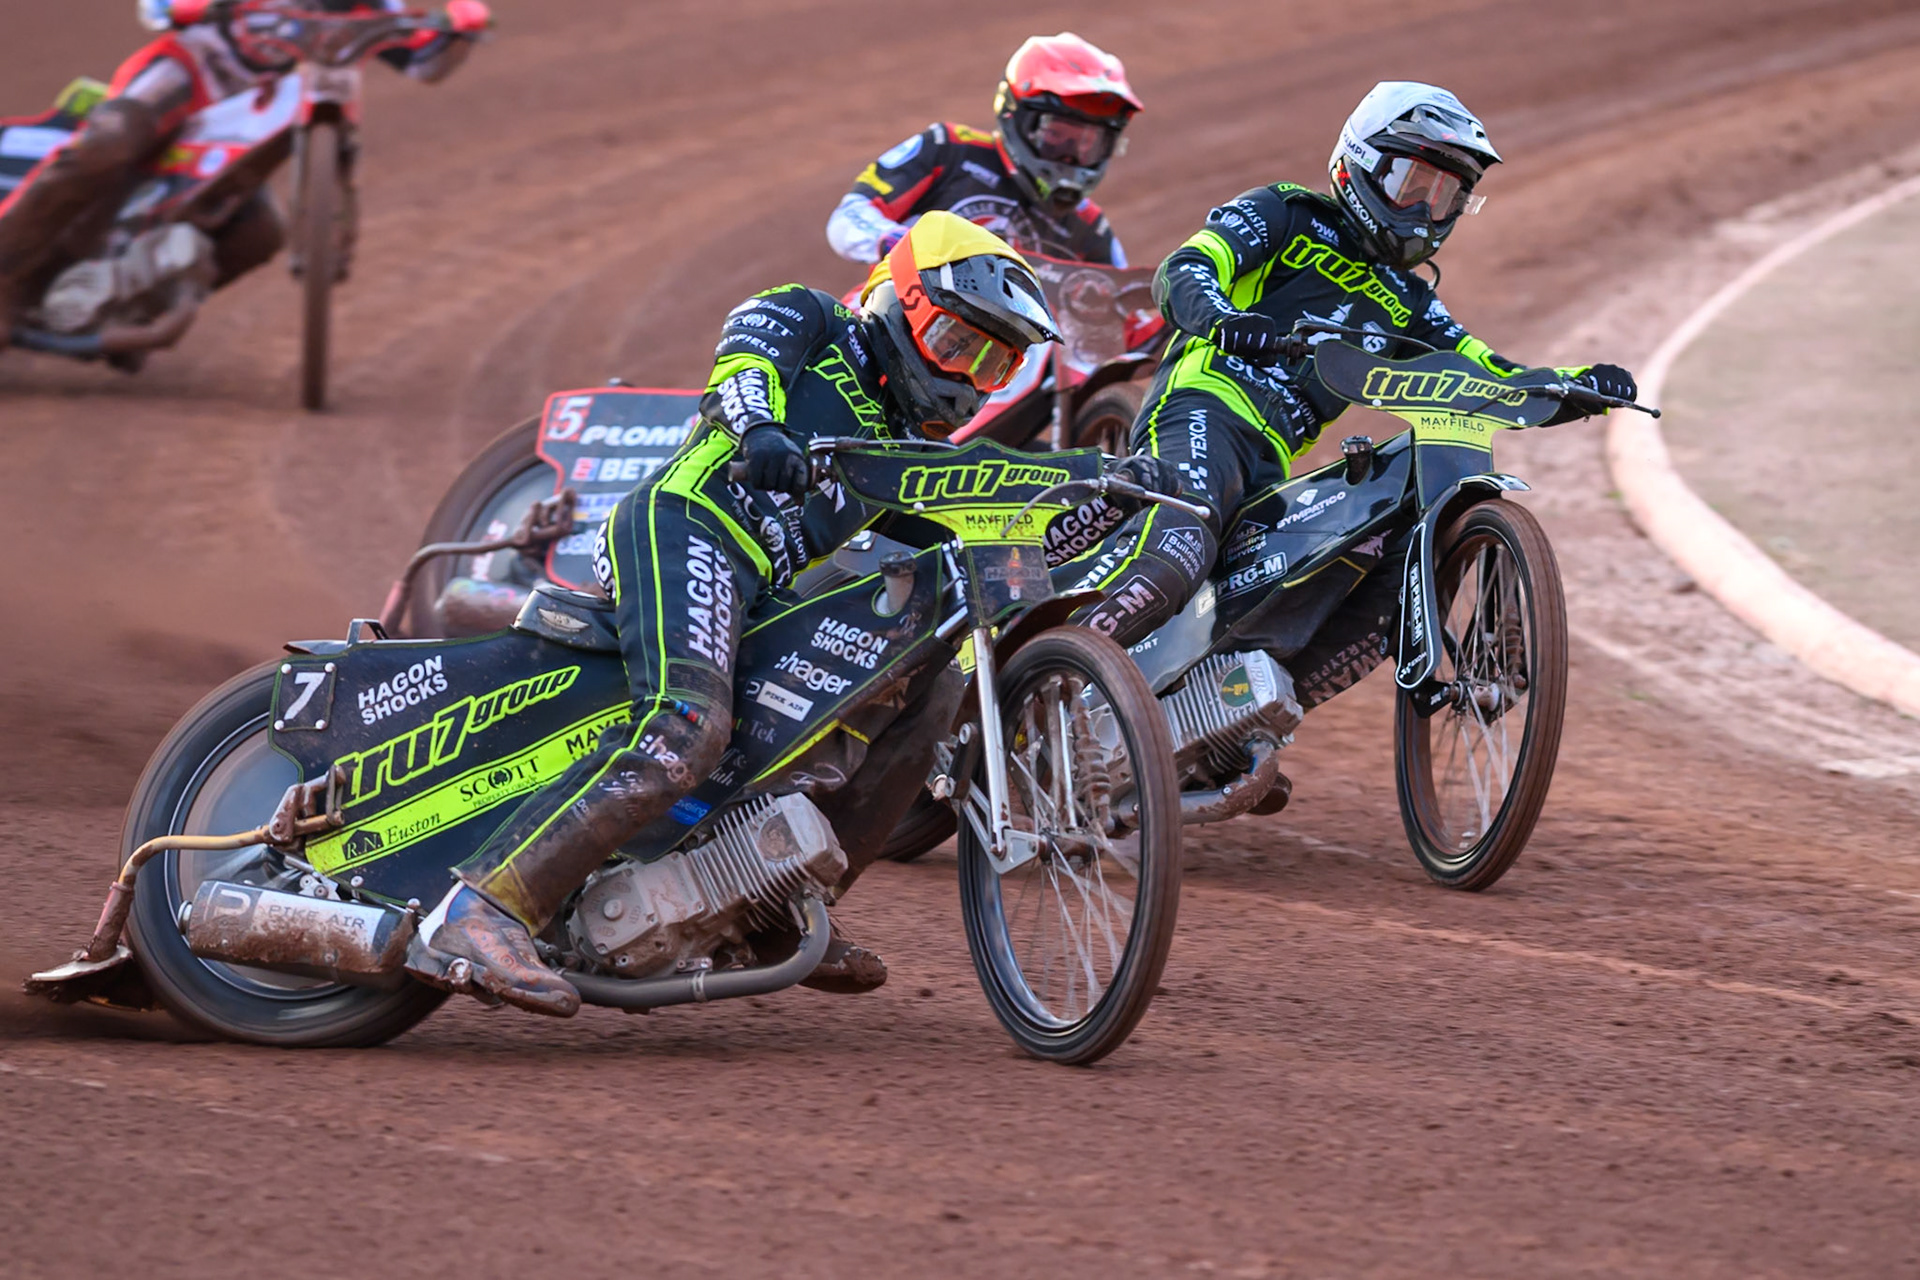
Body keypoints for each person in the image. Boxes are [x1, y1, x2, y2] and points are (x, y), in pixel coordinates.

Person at [405, 213, 1063, 1017]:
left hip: (757, 587)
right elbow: (743, 365)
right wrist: (761, 427)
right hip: (685, 525)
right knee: (688, 726)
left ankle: (773, 914)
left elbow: (953, 516)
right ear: (904, 301)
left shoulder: (898, 444)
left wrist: (1076, 513)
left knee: (915, 690)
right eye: (961, 345)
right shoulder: (815, 319)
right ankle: (482, 910)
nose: (970, 375)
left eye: (995, 364)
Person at [1071, 81, 1639, 708]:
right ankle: (1045, 671)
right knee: (1181, 546)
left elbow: (1487, 370)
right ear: (1358, 164)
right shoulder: (1285, 212)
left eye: (1447, 195)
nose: (1426, 210)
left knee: (1371, 559)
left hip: (1273, 465)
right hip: (1206, 408)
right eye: (1412, 184)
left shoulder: (1413, 301)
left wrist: (1575, 385)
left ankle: (1237, 719)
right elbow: (1187, 268)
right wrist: (1224, 319)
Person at [0, 0, 488, 342]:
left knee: (260, 232)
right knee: (110, 141)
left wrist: (463, 27)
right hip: (189, 72)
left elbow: (425, 64)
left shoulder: (365, 5)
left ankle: (133, 303)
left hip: (245, 128)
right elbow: (156, 8)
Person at [826, 32, 1140, 268]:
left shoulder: (1088, 226)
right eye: (1057, 134)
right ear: (1016, 115)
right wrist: (900, 243)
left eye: (1089, 143)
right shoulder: (950, 150)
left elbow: (1127, 312)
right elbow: (849, 217)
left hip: (1006, 354)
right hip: (894, 324)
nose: (1071, 156)